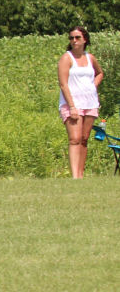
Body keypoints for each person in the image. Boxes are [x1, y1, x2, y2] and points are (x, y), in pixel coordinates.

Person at [58, 25, 104, 179]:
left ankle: (81, 174)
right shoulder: (66, 58)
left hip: (90, 103)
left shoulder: (90, 58)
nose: (74, 40)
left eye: (77, 37)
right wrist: (72, 107)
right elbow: (63, 84)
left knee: (84, 139)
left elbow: (100, 73)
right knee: (75, 139)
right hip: (72, 104)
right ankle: (74, 177)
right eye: (71, 38)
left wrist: (93, 86)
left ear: (85, 40)